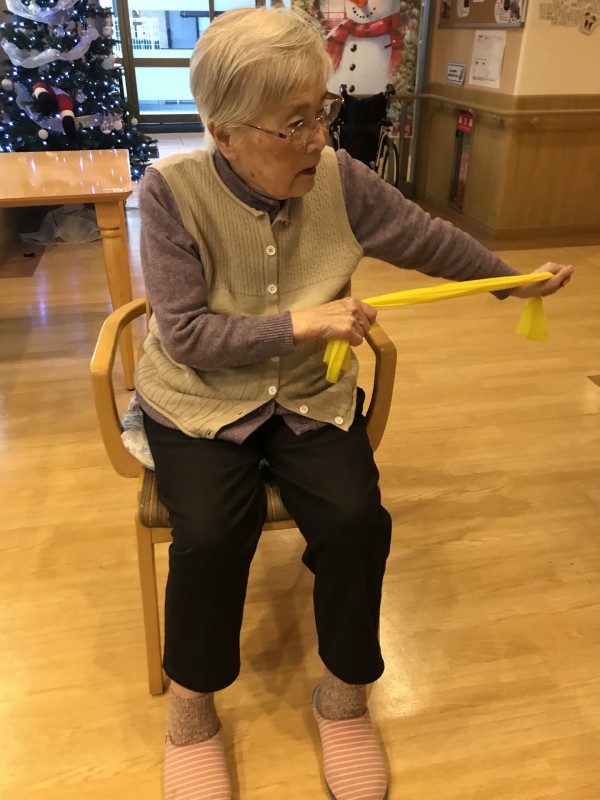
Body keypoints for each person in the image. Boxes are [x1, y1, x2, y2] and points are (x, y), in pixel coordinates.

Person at [135, 7, 573, 799]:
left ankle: (343, 700)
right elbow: (189, 336)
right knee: (210, 534)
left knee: (355, 522)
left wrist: (510, 280)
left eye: (322, 112)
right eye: (294, 123)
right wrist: (300, 322)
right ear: (225, 133)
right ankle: (192, 714)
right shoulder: (172, 192)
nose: (317, 140)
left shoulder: (340, 178)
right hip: (200, 402)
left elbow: (425, 238)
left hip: (308, 395)